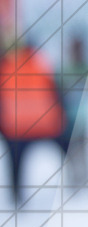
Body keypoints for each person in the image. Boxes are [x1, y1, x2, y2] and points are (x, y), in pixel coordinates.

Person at [0, 39, 69, 205]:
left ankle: (16, 197)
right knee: (68, 150)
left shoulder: (5, 66)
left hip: (17, 128)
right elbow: (55, 89)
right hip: (46, 124)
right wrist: (62, 116)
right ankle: (79, 182)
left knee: (15, 164)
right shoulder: (40, 61)